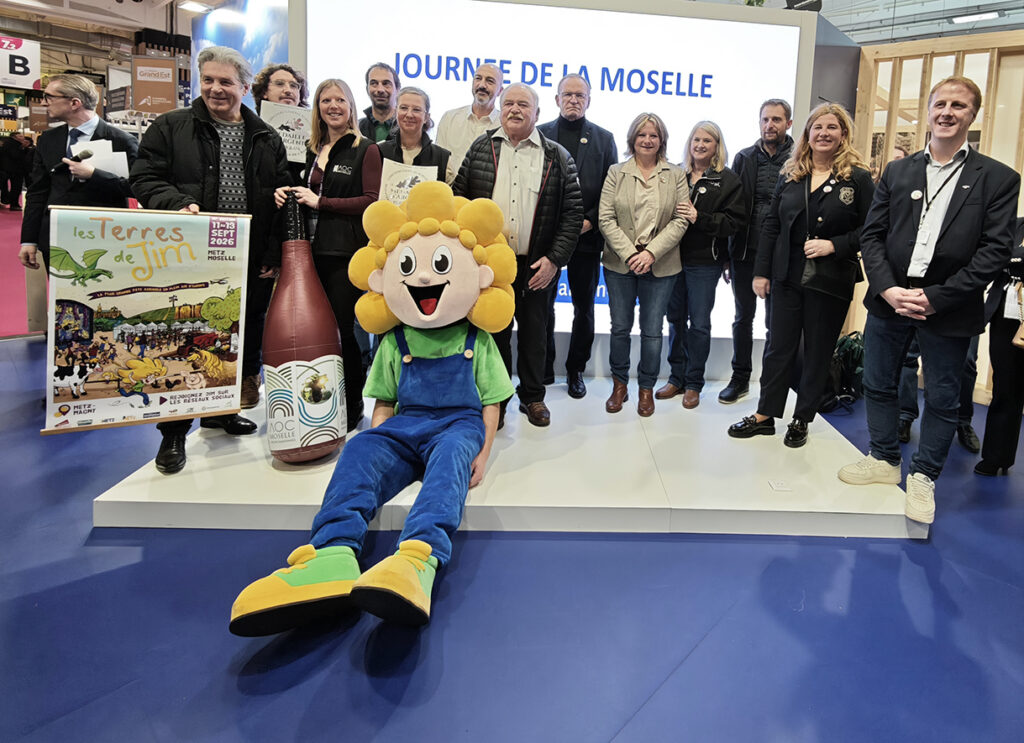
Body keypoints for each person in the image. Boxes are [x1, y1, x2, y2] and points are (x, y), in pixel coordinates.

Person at [229, 182, 516, 633]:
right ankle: (332, 554)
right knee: (360, 450)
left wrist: (482, 451)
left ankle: (417, 559)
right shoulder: (393, 340)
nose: (423, 278)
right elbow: (383, 400)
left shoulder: (475, 340)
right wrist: (379, 437)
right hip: (407, 422)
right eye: (409, 267)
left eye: (439, 266)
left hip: (458, 423)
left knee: (451, 462)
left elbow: (492, 401)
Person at [838, 76, 1020, 524]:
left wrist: (936, 297)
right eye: (940, 103)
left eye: (959, 105)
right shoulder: (898, 172)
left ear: (972, 115)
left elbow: (994, 253)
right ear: (928, 110)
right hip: (890, 299)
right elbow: (873, 235)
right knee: (877, 383)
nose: (947, 112)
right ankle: (883, 459)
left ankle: (923, 477)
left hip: (949, 306)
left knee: (941, 397)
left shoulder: (997, 178)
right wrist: (886, 288)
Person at [129, 45, 292, 474]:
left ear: (244, 86)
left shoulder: (265, 136)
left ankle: (220, 410)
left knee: (236, 336)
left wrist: (272, 253)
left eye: (225, 82)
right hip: (191, 253)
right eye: (208, 80)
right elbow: (143, 177)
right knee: (185, 337)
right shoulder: (170, 126)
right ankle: (174, 433)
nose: (216, 89)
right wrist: (176, 202)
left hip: (248, 253)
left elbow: (280, 196)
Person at [728, 103, 873, 447]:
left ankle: (802, 418)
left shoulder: (859, 176)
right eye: (817, 127)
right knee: (778, 348)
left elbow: (872, 229)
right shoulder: (791, 173)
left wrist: (834, 245)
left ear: (843, 134)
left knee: (817, 351)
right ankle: (765, 415)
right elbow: (772, 224)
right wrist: (761, 272)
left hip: (830, 278)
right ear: (807, 134)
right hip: (786, 276)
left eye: (831, 127)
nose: (823, 133)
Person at [452, 83, 583, 428]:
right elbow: (459, 200)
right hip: (488, 263)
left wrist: (554, 259)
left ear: (537, 113)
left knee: (535, 332)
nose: (514, 109)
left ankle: (533, 397)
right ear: (500, 108)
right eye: (508, 102)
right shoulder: (481, 148)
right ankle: (496, 401)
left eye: (523, 104)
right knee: (493, 333)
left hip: (535, 262)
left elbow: (572, 214)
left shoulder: (556, 155)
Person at [275, 78, 383, 434]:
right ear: (317, 107)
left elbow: (371, 200)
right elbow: (299, 188)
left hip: (342, 253)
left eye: (340, 100)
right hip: (306, 253)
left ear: (351, 106)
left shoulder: (365, 149)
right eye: (325, 100)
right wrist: (285, 193)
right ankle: (318, 401)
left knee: (341, 332)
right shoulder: (309, 148)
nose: (332, 106)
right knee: (312, 332)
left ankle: (352, 404)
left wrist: (322, 202)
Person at [598, 113, 689, 417]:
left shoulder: (675, 174)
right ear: (632, 139)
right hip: (620, 264)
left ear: (661, 140)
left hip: (661, 265)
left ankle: (646, 387)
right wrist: (630, 254)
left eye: (653, 135)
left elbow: (681, 220)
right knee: (620, 328)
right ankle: (619, 385)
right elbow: (606, 219)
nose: (647, 140)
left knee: (652, 331)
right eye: (641, 135)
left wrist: (650, 253)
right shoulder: (616, 172)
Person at [538, 73, 618, 399]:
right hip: (547, 239)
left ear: (588, 100)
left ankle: (576, 370)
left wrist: (589, 221)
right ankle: (542, 367)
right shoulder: (539, 135)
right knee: (541, 306)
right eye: (567, 95)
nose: (573, 100)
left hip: (586, 238)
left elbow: (610, 191)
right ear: (557, 99)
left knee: (584, 308)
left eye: (579, 96)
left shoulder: (603, 138)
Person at [659, 121, 745, 409]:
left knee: (699, 324)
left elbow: (734, 223)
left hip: (704, 263)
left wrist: (700, 218)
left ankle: (694, 383)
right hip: (671, 259)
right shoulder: (675, 175)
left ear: (717, 146)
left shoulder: (728, 180)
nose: (700, 145)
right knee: (674, 320)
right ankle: (676, 377)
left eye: (707, 140)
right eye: (696, 139)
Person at [19, 74, 138, 272]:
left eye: (49, 97)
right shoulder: (48, 139)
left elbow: (137, 188)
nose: (43, 102)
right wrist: (28, 239)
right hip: (56, 238)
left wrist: (94, 175)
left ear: (74, 103)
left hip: (103, 239)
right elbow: (37, 192)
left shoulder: (121, 140)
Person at [722, 99, 795, 404]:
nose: (770, 125)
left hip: (782, 256)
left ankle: (770, 383)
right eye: (765, 119)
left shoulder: (799, 159)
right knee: (743, 319)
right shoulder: (744, 158)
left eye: (777, 120)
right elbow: (733, 208)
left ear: (788, 124)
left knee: (775, 324)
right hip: (745, 252)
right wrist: (728, 255)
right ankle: (740, 378)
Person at [975, 217, 1024, 476]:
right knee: (1005, 388)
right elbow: (992, 259)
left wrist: (1014, 262)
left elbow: (1010, 261)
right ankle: (996, 457)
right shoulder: (1014, 226)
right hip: (1006, 315)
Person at [897, 334, 980, 452]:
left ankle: (963, 422)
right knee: (908, 354)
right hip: (917, 317)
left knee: (966, 362)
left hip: (963, 317)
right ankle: (904, 416)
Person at [435, 63, 503, 175]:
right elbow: (438, 162)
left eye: (490, 81)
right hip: (450, 190)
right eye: (478, 78)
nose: (482, 85)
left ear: (500, 91)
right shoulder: (449, 118)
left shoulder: (504, 126)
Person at [377, 87, 453, 183]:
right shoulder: (379, 151)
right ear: (396, 112)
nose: (409, 115)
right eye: (404, 108)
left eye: (416, 110)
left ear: (426, 117)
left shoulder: (443, 158)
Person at [358, 63, 399, 143]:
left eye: (386, 83)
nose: (380, 89)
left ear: (397, 89)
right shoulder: (357, 128)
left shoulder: (407, 129)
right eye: (374, 83)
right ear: (367, 89)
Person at [1, 131, 35, 210]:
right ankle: (14, 204)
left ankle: (7, 200)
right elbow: (16, 156)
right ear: (15, 137)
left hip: (7, 169)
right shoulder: (14, 145)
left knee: (6, 187)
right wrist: (23, 147)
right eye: (20, 136)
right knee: (16, 187)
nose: (23, 137)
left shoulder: (7, 143)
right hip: (15, 170)